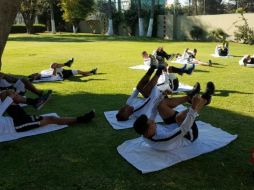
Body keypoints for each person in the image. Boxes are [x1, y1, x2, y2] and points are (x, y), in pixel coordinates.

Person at [133, 81, 215, 151]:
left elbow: (154, 110)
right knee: (180, 117)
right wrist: (193, 109)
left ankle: (190, 96)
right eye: (152, 123)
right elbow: (183, 129)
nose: (154, 122)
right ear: (148, 131)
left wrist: (162, 94)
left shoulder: (146, 132)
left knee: (160, 105)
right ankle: (206, 98)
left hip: (172, 126)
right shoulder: (163, 139)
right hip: (188, 135)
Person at [116, 64, 200, 121]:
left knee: (140, 88)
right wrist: (163, 94)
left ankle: (152, 69)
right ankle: (157, 71)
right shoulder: (139, 113)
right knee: (148, 93)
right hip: (162, 93)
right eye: (123, 111)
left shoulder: (129, 102)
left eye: (120, 110)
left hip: (158, 90)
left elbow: (137, 90)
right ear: (128, 115)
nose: (122, 109)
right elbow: (152, 100)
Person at [0, 90, 95, 132]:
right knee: (51, 119)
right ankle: (82, 119)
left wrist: (10, 96)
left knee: (6, 93)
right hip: (18, 125)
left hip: (16, 118)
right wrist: (10, 99)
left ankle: (35, 102)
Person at [28, 58, 97, 81]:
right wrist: (54, 68)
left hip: (61, 71)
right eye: (34, 75)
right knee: (78, 71)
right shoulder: (43, 77)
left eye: (33, 74)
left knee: (79, 72)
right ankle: (67, 64)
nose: (34, 74)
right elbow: (53, 76)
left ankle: (91, 72)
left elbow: (51, 69)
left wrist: (54, 68)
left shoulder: (42, 72)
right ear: (35, 78)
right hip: (61, 75)